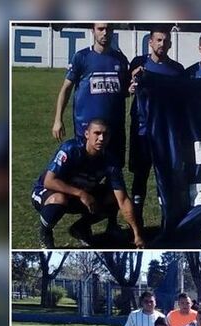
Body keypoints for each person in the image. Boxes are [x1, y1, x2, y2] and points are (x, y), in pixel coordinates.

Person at [32, 119, 145, 248]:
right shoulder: (71, 149)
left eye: (105, 134)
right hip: (47, 193)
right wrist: (81, 194)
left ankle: (81, 228)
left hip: (81, 194)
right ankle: (45, 233)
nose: (101, 138)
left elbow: (123, 200)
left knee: (112, 197)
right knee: (60, 199)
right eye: (97, 133)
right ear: (87, 134)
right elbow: (49, 181)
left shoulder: (111, 161)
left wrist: (137, 235)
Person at [52, 23, 129, 204]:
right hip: (86, 132)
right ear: (92, 31)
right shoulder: (82, 57)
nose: (105, 32)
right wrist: (58, 119)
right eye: (101, 28)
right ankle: (79, 214)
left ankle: (112, 223)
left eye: (108, 29)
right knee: (85, 176)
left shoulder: (119, 59)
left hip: (114, 132)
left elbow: (124, 91)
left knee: (114, 177)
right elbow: (66, 89)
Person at [127, 26, 185, 220]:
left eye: (165, 40)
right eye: (158, 40)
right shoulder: (138, 64)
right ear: (150, 42)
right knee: (140, 175)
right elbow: (126, 90)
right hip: (141, 130)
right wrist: (131, 87)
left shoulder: (177, 70)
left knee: (167, 176)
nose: (162, 44)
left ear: (170, 43)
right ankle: (137, 220)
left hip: (165, 132)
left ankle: (167, 220)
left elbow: (182, 101)